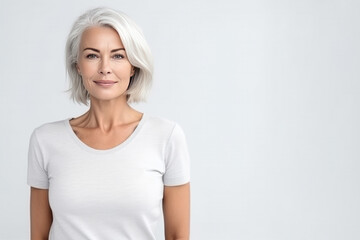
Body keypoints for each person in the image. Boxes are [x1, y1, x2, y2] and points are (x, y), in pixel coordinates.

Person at [27, 7, 190, 240]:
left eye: (118, 55)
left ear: (133, 65)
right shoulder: (45, 140)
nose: (105, 68)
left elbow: (177, 236)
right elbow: (38, 236)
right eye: (92, 55)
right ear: (77, 65)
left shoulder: (166, 137)